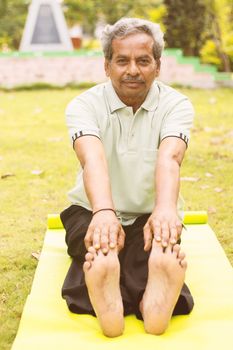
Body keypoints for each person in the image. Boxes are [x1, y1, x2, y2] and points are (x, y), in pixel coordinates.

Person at [60, 17, 194, 338]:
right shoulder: (83, 105)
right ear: (107, 66)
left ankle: (119, 301)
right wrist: (104, 213)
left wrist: (165, 209)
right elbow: (91, 158)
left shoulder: (177, 105)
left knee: (153, 247)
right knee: (97, 244)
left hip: (152, 213)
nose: (132, 70)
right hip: (92, 210)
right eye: (122, 60)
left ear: (158, 66)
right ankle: (142, 299)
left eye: (143, 61)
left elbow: (170, 157)